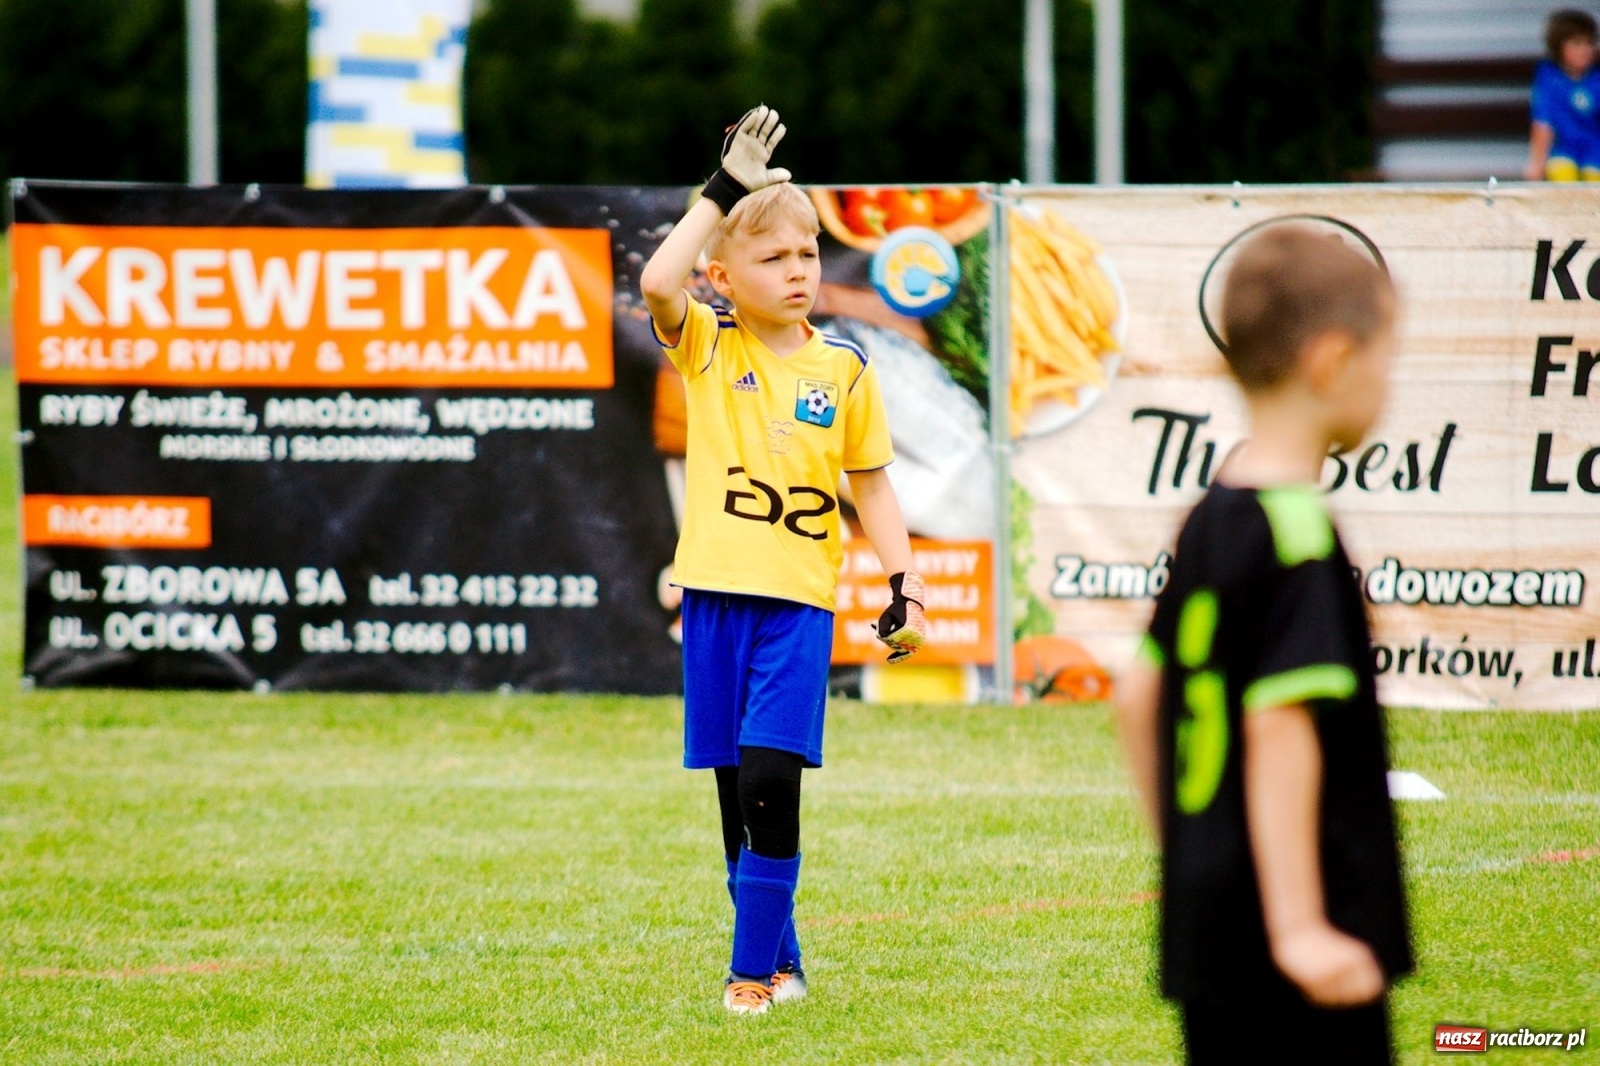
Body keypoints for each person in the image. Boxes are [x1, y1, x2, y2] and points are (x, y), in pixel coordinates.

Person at [638, 106, 926, 1016]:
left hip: (796, 607)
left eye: (807, 255)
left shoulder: (843, 370)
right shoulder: (708, 348)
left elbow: (872, 487)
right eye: (773, 258)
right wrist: (724, 190)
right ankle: (785, 958)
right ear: (722, 277)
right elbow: (654, 279)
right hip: (716, 603)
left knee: (771, 778)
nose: (797, 271)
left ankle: (749, 975)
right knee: (735, 799)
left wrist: (904, 586)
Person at [1114, 227, 1413, 1064]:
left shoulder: (1212, 516)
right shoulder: (1298, 532)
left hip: (1212, 928)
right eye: (1386, 358)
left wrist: (1198, 863)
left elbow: (1134, 700)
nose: (1390, 383)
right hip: (1298, 953)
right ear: (1330, 362)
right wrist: (1299, 928)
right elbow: (1278, 724)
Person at [1525, 9, 1600, 181]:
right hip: (1565, 150)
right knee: (1562, 174)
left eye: (1589, 43)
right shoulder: (1549, 77)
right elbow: (1543, 123)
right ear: (1558, 47)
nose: (1585, 50)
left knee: (1594, 181)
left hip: (1596, 150)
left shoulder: (1596, 78)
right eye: (1576, 43)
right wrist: (1537, 162)